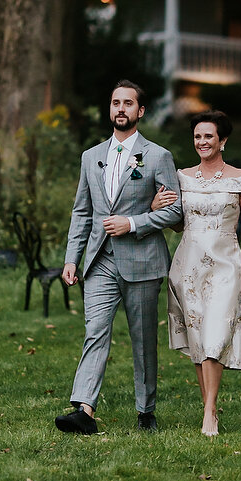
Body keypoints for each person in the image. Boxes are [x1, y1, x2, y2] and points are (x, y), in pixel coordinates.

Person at [55, 80, 182, 435]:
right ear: (109, 109)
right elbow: (82, 211)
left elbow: (176, 212)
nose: (120, 108)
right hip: (99, 261)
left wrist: (134, 222)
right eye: (115, 102)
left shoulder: (158, 156)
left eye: (128, 103)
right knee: (95, 331)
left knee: (143, 339)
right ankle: (83, 409)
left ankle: (146, 411)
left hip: (142, 260)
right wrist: (71, 258)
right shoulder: (90, 156)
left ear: (140, 111)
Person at [152, 110, 241, 437]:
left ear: (223, 140)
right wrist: (156, 208)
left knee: (217, 331)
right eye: (197, 137)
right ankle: (210, 408)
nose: (201, 142)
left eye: (208, 136)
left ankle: (209, 411)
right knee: (199, 336)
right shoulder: (183, 177)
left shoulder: (240, 178)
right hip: (188, 265)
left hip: (225, 263)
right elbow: (177, 223)